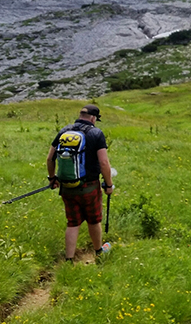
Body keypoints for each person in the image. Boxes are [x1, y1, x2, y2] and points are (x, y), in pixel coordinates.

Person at [47, 104, 114, 262]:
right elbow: (104, 163)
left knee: (73, 222)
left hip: (67, 186)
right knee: (94, 219)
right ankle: (98, 252)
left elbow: (50, 158)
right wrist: (109, 185)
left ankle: (69, 259)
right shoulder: (96, 133)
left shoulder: (64, 131)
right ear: (93, 118)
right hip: (89, 187)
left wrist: (52, 178)